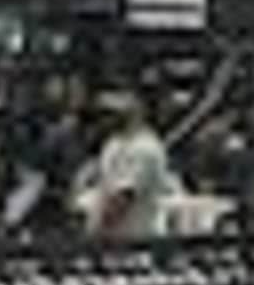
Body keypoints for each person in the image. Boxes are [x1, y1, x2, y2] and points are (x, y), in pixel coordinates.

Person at [76, 88, 179, 240]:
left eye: (110, 114)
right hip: (112, 239)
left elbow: (122, 199)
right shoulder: (113, 143)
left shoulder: (144, 148)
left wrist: (95, 233)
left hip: (137, 241)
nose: (104, 120)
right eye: (103, 114)